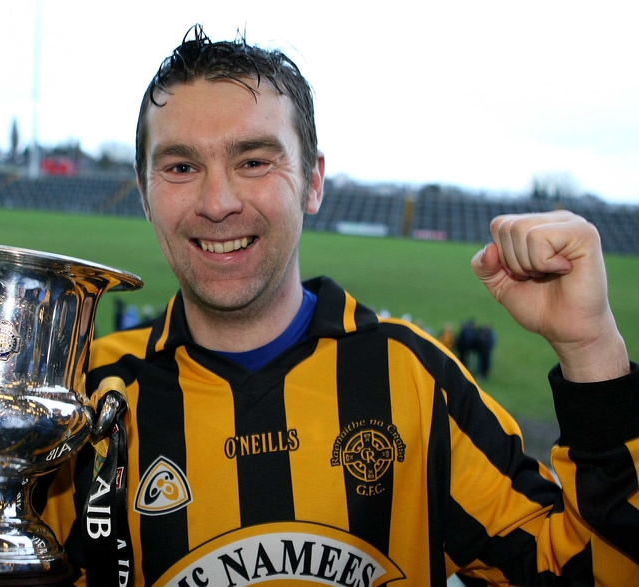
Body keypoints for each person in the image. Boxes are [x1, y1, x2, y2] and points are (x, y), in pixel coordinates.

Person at [36, 26, 639, 586]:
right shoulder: (85, 400)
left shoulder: (413, 379)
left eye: (254, 161)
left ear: (314, 180)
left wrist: (591, 348)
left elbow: (585, 571)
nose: (217, 202)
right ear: (144, 193)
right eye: (181, 166)